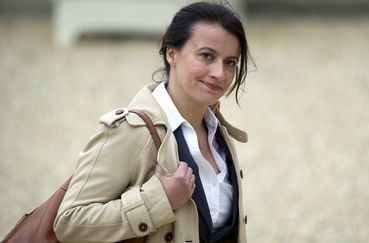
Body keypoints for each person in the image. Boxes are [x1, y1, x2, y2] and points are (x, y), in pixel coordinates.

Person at [54, 1, 252, 243]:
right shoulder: (130, 131)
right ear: (172, 54)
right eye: (206, 56)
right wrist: (159, 200)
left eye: (230, 62)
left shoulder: (219, 133)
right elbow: (69, 221)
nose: (220, 73)